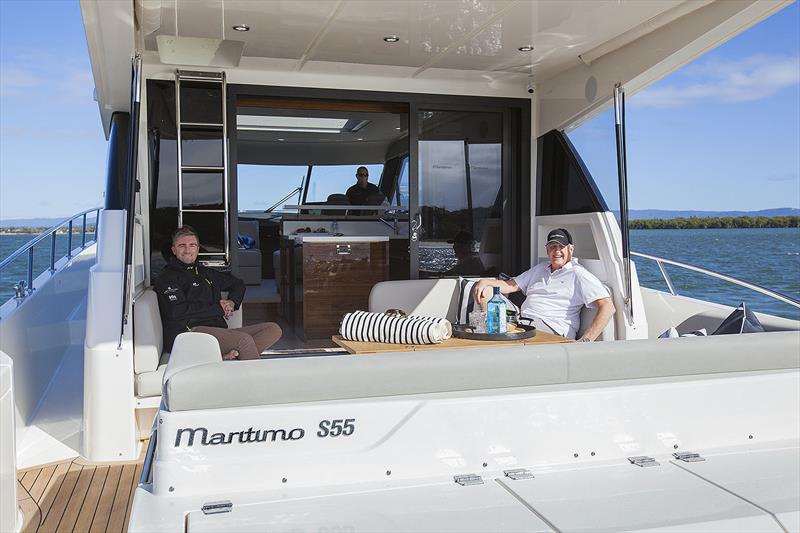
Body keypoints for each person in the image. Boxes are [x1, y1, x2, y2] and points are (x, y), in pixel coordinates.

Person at [155, 226, 282, 360]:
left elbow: (237, 284)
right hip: (188, 333)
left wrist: (231, 302)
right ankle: (252, 378)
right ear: (174, 250)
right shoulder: (167, 277)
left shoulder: (205, 272)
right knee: (243, 341)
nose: (187, 250)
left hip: (217, 330)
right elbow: (177, 311)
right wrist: (218, 308)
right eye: (182, 245)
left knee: (272, 329)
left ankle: (225, 358)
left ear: (198, 249)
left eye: (192, 245)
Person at [472, 228, 615, 341]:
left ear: (570, 249)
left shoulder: (578, 274)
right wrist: (485, 282)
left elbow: (608, 306)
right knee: (486, 291)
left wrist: (586, 340)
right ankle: (495, 336)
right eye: (552, 246)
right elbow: (511, 285)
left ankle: (495, 339)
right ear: (547, 250)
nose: (557, 251)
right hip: (524, 322)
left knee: (503, 331)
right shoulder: (540, 268)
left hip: (551, 329)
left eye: (561, 247)